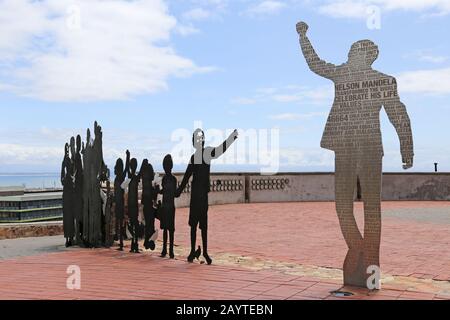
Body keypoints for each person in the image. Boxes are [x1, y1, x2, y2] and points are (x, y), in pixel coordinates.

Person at [297, 21, 414, 287]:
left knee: (373, 209)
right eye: (350, 51)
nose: (349, 55)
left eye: (355, 51)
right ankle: (360, 249)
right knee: (342, 207)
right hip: (344, 147)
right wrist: (303, 37)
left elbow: (399, 115)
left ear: (368, 56)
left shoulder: (384, 80)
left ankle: (370, 268)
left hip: (371, 148)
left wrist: (406, 148)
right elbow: (314, 63)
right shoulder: (341, 74)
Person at [176, 129, 239, 264]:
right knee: (196, 226)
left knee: (201, 226)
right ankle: (195, 250)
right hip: (198, 196)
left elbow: (221, 149)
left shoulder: (205, 153)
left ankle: (202, 251)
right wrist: (178, 191)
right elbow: (187, 177)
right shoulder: (197, 156)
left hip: (201, 196)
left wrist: (231, 138)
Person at [159, 154, 177, 259]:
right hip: (166, 205)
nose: (166, 168)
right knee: (165, 229)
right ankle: (165, 249)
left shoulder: (171, 179)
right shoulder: (165, 179)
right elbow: (164, 191)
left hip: (170, 206)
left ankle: (170, 250)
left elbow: (173, 192)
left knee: (170, 229)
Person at [140, 159, 159, 251]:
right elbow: (153, 195)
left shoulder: (144, 181)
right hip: (150, 205)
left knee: (148, 224)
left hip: (146, 205)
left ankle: (147, 241)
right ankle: (149, 242)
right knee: (150, 224)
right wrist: (156, 188)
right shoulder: (150, 184)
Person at [114, 150, 130, 251]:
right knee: (119, 222)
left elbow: (126, 167)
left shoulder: (120, 177)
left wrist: (127, 156)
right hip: (118, 202)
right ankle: (120, 240)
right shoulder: (117, 177)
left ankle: (121, 242)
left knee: (120, 222)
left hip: (120, 202)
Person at [61, 141, 75, 247]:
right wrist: (63, 165)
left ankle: (70, 238)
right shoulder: (67, 178)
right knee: (67, 220)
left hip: (69, 200)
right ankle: (68, 238)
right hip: (67, 200)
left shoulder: (70, 177)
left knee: (69, 219)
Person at [127, 155, 141, 253]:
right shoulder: (133, 177)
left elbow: (127, 169)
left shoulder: (133, 177)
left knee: (133, 223)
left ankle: (134, 243)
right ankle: (134, 243)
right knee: (133, 223)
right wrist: (127, 157)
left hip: (133, 204)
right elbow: (127, 169)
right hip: (133, 204)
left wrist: (127, 157)